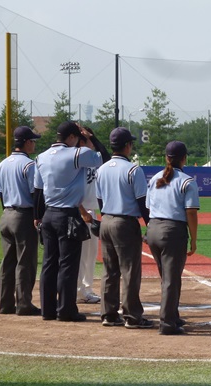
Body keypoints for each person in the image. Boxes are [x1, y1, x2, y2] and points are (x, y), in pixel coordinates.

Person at [34, 121, 102, 322]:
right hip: (68, 215)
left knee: (49, 264)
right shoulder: (76, 154)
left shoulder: (41, 157)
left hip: (49, 215)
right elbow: (102, 157)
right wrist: (90, 138)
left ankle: (47, 310)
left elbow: (38, 191)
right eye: (77, 138)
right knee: (68, 265)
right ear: (72, 137)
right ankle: (66, 310)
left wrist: (37, 217)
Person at [94, 127, 153, 329]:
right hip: (125, 222)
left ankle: (108, 314)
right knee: (129, 271)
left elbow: (100, 200)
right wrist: (150, 226)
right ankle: (132, 316)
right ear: (127, 146)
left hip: (107, 220)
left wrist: (106, 218)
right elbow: (143, 202)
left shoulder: (101, 169)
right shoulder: (133, 169)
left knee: (110, 270)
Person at [145, 141, 199, 335]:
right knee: (171, 279)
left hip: (153, 230)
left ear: (166, 158)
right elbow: (191, 213)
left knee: (167, 277)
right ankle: (167, 324)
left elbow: (148, 208)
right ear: (184, 158)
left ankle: (173, 315)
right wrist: (193, 239)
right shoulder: (186, 181)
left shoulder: (155, 178)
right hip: (172, 232)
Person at [0, 125, 41, 316]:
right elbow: (35, 193)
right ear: (27, 142)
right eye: (33, 141)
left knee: (7, 263)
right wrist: (38, 217)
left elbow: (0, 193)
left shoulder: (2, 164)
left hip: (6, 214)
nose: (34, 145)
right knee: (25, 262)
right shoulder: (29, 165)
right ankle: (24, 304)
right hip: (23, 215)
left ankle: (5, 304)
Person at [76, 126, 110, 304]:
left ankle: (85, 289)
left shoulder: (93, 159)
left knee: (89, 255)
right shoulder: (74, 158)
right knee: (81, 255)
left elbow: (106, 156)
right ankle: (79, 290)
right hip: (80, 211)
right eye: (86, 138)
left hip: (90, 211)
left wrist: (93, 138)